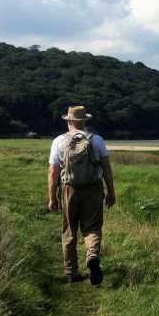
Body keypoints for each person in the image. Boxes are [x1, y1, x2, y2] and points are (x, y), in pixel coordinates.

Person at [48, 105, 116, 285]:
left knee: (69, 230)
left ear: (69, 121)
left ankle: (71, 273)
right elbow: (106, 168)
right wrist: (111, 191)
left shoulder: (59, 141)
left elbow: (53, 171)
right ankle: (92, 256)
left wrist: (52, 197)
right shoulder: (97, 140)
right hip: (93, 188)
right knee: (92, 227)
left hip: (68, 188)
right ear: (84, 121)